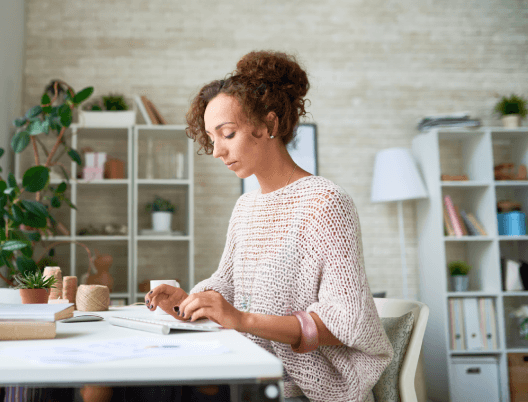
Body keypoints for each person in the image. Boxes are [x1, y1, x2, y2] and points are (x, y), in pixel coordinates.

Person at [145, 50, 393, 402]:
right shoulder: (246, 207)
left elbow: (348, 323)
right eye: (211, 139)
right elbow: (228, 288)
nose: (216, 151)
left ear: (270, 125)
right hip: (250, 376)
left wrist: (243, 320)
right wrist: (187, 302)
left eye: (227, 134)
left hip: (307, 392)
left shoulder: (326, 202)